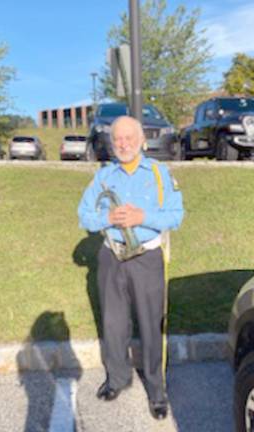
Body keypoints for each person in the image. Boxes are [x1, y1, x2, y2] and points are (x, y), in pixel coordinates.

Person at [78, 116, 184, 420]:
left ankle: (156, 390)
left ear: (141, 141)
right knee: (113, 324)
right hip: (112, 256)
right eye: (118, 140)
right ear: (112, 144)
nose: (123, 144)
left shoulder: (159, 174)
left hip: (147, 259)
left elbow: (176, 216)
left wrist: (142, 218)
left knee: (152, 326)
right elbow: (84, 215)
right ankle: (117, 379)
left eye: (129, 138)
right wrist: (107, 219)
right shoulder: (103, 177)